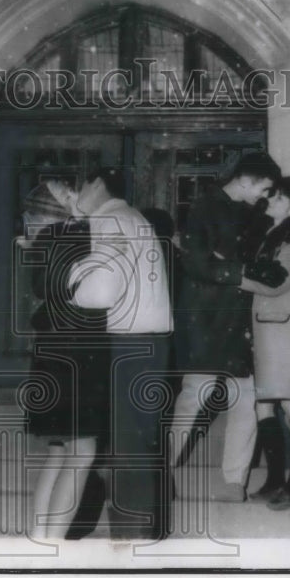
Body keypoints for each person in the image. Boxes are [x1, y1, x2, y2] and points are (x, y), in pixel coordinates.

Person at [169, 153, 284, 502]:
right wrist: (239, 272)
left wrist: (229, 266)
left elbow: (221, 261)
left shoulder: (251, 214)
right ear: (246, 180)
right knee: (195, 395)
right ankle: (159, 472)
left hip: (237, 320)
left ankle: (235, 481)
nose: (265, 196)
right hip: (206, 319)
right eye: (264, 188)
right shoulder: (204, 206)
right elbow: (196, 262)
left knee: (246, 398)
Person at [67, 167, 172, 540]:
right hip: (148, 342)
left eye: (81, 185)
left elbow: (100, 292)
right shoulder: (131, 218)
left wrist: (71, 282)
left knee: (127, 449)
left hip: (129, 344)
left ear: (97, 183)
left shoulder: (111, 220)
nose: (77, 194)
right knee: (136, 444)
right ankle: (138, 535)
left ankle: (129, 542)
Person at [21, 181, 111, 539]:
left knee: (60, 451)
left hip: (54, 352)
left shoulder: (46, 238)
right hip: (79, 353)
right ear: (57, 207)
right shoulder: (76, 235)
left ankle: (39, 537)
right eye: (67, 194)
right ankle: (54, 544)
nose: (77, 194)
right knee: (83, 452)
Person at [240, 176, 290, 510]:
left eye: (277, 197)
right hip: (270, 330)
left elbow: (275, 282)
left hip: (287, 332)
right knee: (263, 405)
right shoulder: (276, 235)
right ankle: (275, 481)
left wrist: (232, 275)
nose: (270, 201)